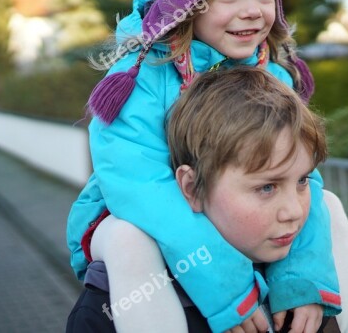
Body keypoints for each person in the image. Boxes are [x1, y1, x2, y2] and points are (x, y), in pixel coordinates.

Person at [66, 0, 348, 333]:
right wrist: (228, 288)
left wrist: (300, 278)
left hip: (231, 208)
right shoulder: (143, 78)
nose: (253, 11)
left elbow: (296, 174)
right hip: (141, 214)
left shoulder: (273, 75)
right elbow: (140, 186)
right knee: (130, 239)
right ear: (187, 2)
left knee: (328, 203)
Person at [67, 66, 333, 332]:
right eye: (266, 188)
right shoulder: (113, 311)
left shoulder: (313, 296)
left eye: (302, 181)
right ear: (192, 188)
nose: (294, 211)